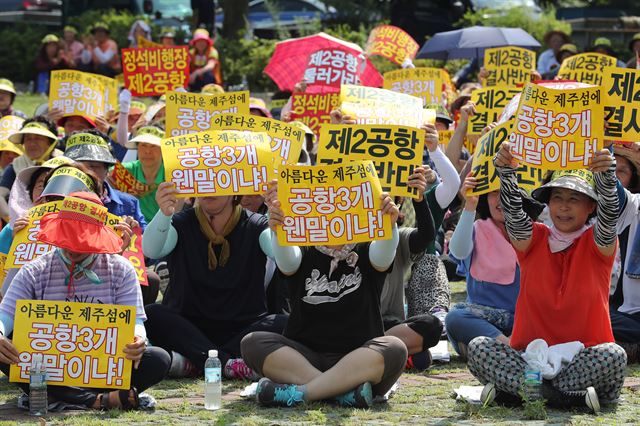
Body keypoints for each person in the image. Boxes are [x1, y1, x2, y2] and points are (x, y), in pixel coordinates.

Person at [469, 143, 626, 413]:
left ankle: (523, 394)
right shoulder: (535, 237)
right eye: (557, 198)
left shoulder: (597, 242)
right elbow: (514, 215)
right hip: (529, 358)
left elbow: (610, 215)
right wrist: (506, 173)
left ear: (590, 206)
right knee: (478, 347)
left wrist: (608, 176)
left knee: (613, 355)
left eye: (574, 199)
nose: (563, 207)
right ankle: (566, 397)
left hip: (583, 358)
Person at [241, 182, 406, 408]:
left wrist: (389, 224)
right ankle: (343, 393)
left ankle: (303, 392)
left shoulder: (368, 245)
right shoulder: (303, 246)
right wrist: (279, 230)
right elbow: (287, 262)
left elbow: (385, 255)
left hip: (359, 357)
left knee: (395, 348)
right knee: (253, 343)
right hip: (305, 356)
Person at [0, 191, 170, 410]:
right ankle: (97, 400)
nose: (74, 247)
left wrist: (138, 339)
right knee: (7, 350)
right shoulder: (35, 269)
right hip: (50, 366)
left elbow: (135, 319)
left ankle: (63, 396)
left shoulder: (121, 269)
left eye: (83, 238)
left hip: (104, 366)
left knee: (158, 359)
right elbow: (6, 315)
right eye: (69, 237)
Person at [142, 183, 288, 380]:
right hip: (189, 327)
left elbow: (288, 263)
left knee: (283, 322)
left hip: (242, 330)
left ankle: (196, 362)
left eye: (220, 183)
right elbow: (151, 250)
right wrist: (163, 213)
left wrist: (278, 226)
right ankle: (227, 364)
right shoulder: (181, 222)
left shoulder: (256, 224)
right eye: (203, 182)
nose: (209, 190)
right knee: (152, 314)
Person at [445, 174, 541, 360]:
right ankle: (512, 350)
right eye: (494, 192)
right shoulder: (477, 228)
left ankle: (495, 351)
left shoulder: (538, 231)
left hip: (528, 321)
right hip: (484, 320)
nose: (500, 199)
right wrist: (470, 205)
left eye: (506, 191)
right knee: (455, 318)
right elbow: (458, 250)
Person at [63, 130, 160, 305]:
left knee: (151, 279)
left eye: (93, 166)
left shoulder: (128, 203)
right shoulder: (60, 198)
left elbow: (147, 250)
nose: (86, 173)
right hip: (65, 268)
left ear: (107, 170)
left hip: (115, 271)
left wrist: (133, 235)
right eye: (80, 166)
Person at [377, 165, 442, 370]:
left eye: (390, 199)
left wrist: (420, 199)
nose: (384, 204)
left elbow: (426, 236)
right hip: (349, 323)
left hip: (387, 325)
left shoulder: (401, 236)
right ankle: (383, 353)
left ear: (400, 202)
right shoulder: (345, 237)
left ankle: (368, 350)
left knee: (431, 326)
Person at [609, 144, 640, 362]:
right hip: (627, 316)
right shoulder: (633, 206)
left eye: (623, 170)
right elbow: (611, 189)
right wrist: (606, 148)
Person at [0, 117, 63, 220]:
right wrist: (12, 220)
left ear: (50, 142)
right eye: (28, 139)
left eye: (38, 138)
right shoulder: (15, 166)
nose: (32, 143)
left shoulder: (65, 162)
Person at [121, 126, 165, 223]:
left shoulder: (173, 174)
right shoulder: (124, 171)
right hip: (132, 228)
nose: (148, 151)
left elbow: (177, 211)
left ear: (163, 149)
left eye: (154, 146)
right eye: (143, 145)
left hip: (164, 229)